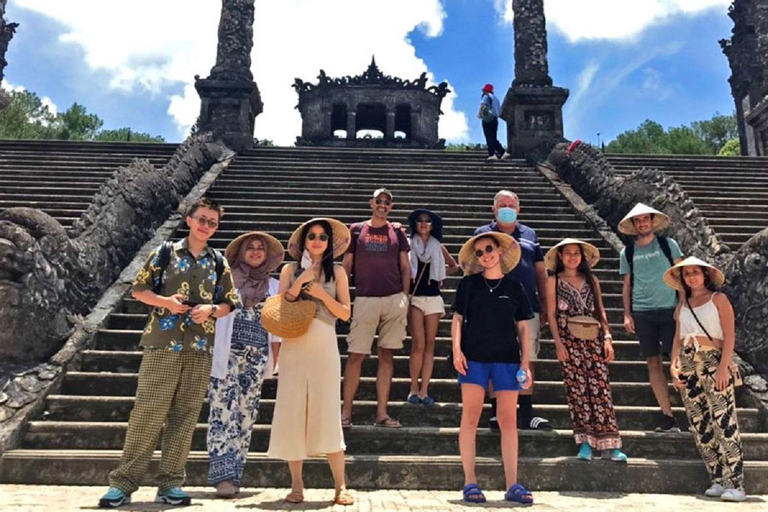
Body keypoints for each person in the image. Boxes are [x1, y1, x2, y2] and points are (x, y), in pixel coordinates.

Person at [98, 198, 239, 508]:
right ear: (189, 219)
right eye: (201, 219)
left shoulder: (218, 262)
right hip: (163, 342)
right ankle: (123, 483)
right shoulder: (164, 253)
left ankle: (171, 483)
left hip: (199, 346)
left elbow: (230, 302)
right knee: (147, 413)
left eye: (212, 222)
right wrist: (166, 303)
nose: (206, 226)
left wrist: (212, 309)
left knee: (185, 417)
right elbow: (138, 289)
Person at [267, 218, 354, 506]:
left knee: (327, 408)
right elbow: (280, 305)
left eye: (322, 237)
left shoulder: (338, 272)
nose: (317, 240)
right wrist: (299, 285)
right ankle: (296, 484)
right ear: (304, 240)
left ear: (329, 242)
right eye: (312, 236)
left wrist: (319, 294)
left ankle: (340, 485)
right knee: (293, 410)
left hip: (324, 341)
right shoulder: (290, 270)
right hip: (294, 342)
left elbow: (345, 313)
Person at [452, 232, 534, 505]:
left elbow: (523, 327)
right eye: (479, 252)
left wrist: (525, 362)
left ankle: (513, 484)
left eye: (489, 248)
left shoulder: (515, 287)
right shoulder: (468, 284)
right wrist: (456, 350)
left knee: (509, 422)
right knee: (471, 418)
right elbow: (457, 319)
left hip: (508, 360)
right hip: (473, 358)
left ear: (499, 251)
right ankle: (469, 481)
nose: (485, 254)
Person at [207, 231, 284, 498]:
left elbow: (277, 328)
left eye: (259, 248)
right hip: (226, 353)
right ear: (240, 252)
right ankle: (222, 476)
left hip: (257, 357)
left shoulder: (274, 286)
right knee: (221, 413)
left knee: (245, 415)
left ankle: (236, 472)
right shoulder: (225, 280)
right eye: (249, 248)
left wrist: (277, 362)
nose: (254, 252)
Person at [665, 257, 745, 502]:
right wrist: (673, 364)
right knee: (699, 423)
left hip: (713, 359)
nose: (691, 277)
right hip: (689, 363)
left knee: (724, 420)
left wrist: (723, 368)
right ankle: (717, 478)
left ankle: (736, 483)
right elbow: (678, 338)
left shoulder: (718, 300)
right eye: (687, 273)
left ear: (705, 275)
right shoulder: (683, 305)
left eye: (695, 272)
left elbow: (730, 335)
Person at [474, 189, 551, 431]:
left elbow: (540, 271)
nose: (507, 208)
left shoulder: (530, 234)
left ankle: (526, 413)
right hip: (491, 308)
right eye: (502, 205)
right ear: (493, 209)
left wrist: (547, 305)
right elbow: (472, 268)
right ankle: (498, 413)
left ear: (518, 209)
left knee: (528, 357)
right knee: (495, 358)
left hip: (526, 306)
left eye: (511, 204)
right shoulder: (482, 234)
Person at [545, 238, 627, 462]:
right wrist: (558, 344)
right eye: (567, 253)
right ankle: (585, 442)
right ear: (560, 257)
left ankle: (610, 444)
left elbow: (601, 311)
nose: (572, 256)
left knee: (601, 390)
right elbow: (551, 314)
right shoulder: (553, 281)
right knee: (577, 392)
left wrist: (608, 338)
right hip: (569, 340)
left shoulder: (592, 280)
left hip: (593, 340)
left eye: (576, 253)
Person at [342, 188, 410, 428]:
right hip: (365, 297)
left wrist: (405, 296)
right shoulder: (356, 229)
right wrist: (343, 296)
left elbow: (405, 265)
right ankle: (346, 412)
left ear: (391, 207)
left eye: (387, 203)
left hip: (393, 298)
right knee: (356, 355)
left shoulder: (397, 232)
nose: (382, 205)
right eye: (378, 201)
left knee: (387, 354)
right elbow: (347, 263)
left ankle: (382, 413)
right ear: (371, 203)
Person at [618, 203, 684, 432]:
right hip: (643, 311)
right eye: (639, 221)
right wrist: (627, 314)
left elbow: (681, 274)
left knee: (677, 360)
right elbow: (627, 285)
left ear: (652, 221)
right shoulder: (628, 252)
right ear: (634, 225)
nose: (643, 224)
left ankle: (694, 412)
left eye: (646, 219)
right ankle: (667, 416)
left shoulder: (668, 245)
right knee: (653, 362)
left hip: (670, 308)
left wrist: (682, 305)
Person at [406, 208, 458, 405]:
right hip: (416, 297)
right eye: (420, 221)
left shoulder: (438, 246)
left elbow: (453, 265)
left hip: (434, 297)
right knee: (418, 343)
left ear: (432, 225)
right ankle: (413, 387)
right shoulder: (410, 245)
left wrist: (440, 276)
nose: (424, 224)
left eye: (427, 221)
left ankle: (424, 390)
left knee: (429, 344)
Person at [477, 83, 510, 161]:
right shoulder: (496, 99)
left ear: (485, 90)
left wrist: (480, 114)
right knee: (493, 137)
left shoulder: (486, 96)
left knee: (488, 136)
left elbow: (483, 105)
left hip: (487, 119)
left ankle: (492, 154)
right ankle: (502, 152)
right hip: (495, 119)